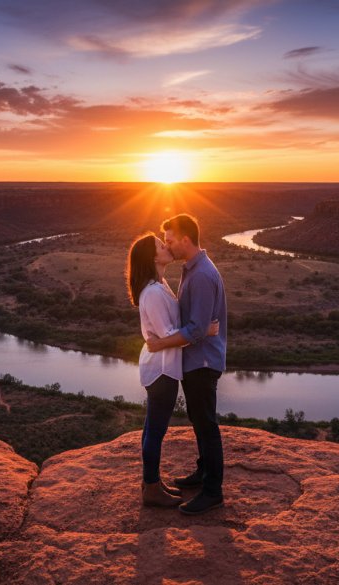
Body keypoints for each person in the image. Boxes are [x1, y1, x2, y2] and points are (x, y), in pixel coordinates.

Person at [126, 233, 219, 507]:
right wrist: (204, 331)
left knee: (152, 428)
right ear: (153, 257)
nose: (166, 247)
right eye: (160, 245)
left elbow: (165, 335)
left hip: (165, 367)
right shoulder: (153, 293)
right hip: (161, 370)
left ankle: (151, 482)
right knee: (155, 430)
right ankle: (152, 489)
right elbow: (166, 334)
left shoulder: (161, 284)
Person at [146, 214, 228, 515]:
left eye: (169, 240)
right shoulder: (191, 270)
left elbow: (195, 329)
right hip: (195, 360)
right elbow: (195, 323)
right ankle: (203, 473)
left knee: (207, 426)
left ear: (184, 239)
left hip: (202, 362)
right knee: (199, 421)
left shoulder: (203, 275)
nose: (167, 246)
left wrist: (160, 343)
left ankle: (212, 491)